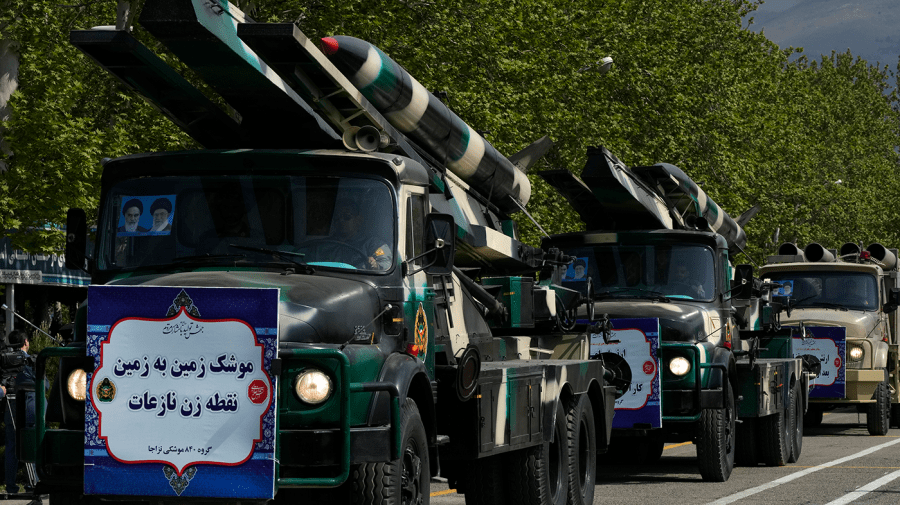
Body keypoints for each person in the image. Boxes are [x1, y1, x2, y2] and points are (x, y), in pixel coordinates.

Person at [0, 330, 32, 497]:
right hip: (28, 403)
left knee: (12, 447)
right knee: (29, 443)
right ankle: (32, 485)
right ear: (25, 342)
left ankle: (11, 487)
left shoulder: (4, 360)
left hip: (9, 405)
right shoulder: (29, 360)